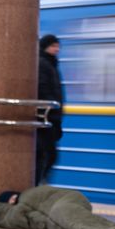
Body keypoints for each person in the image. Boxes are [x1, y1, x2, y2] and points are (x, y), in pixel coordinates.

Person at [36, 34, 66, 185]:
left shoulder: (51, 64)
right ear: (45, 46)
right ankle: (39, 186)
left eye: (57, 46)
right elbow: (44, 89)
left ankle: (40, 184)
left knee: (48, 155)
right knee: (47, 155)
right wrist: (51, 112)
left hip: (52, 118)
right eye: (53, 46)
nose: (57, 49)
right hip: (46, 118)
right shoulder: (43, 64)